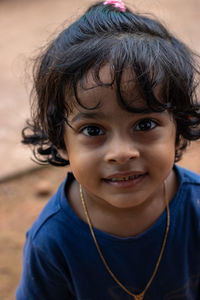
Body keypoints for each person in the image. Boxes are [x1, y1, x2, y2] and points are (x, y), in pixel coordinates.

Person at [16, 0, 200, 299]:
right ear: (60, 139)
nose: (121, 152)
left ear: (179, 125)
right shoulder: (52, 240)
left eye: (144, 124)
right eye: (93, 130)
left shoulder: (197, 207)